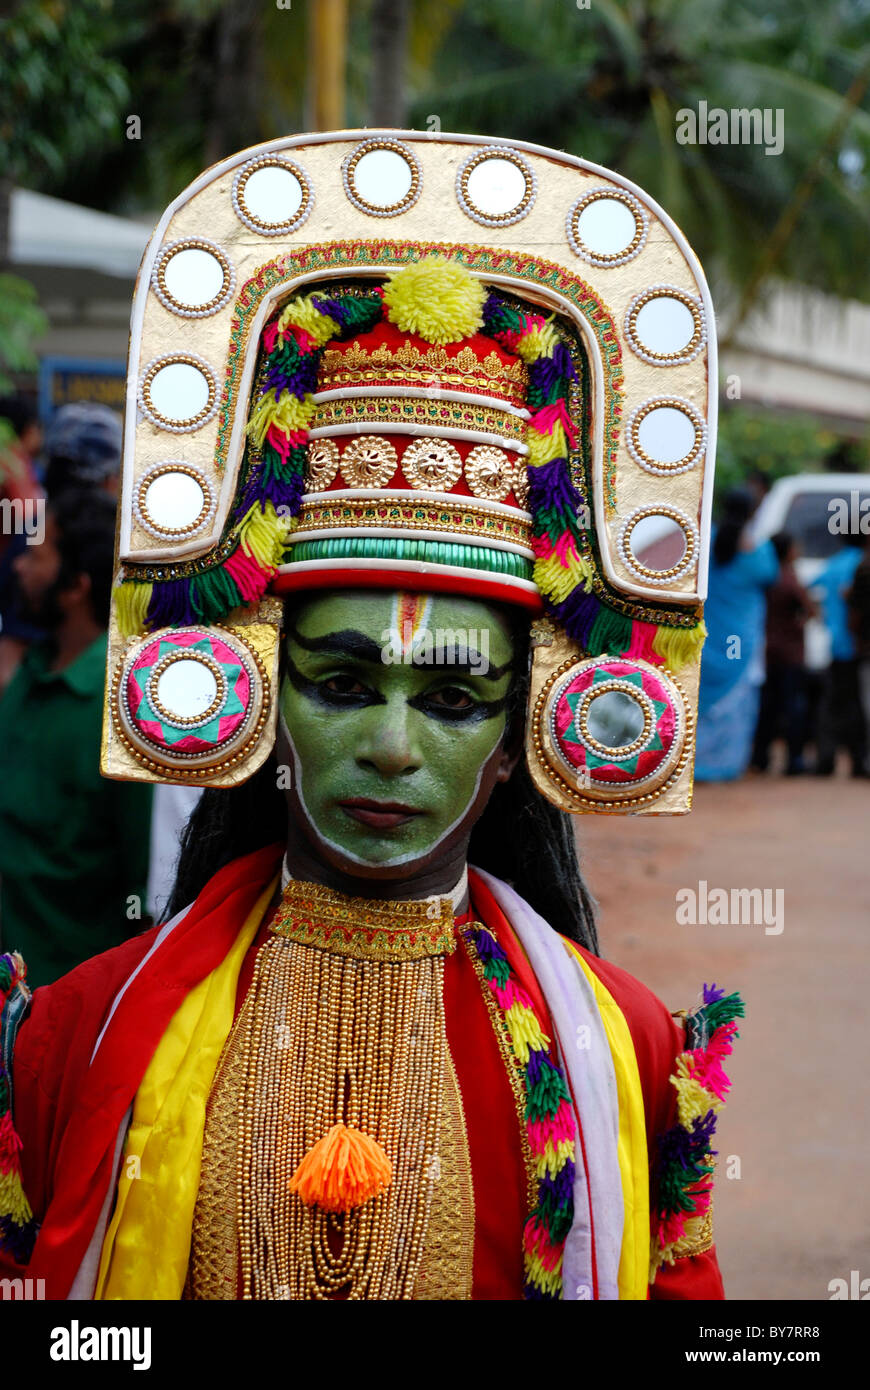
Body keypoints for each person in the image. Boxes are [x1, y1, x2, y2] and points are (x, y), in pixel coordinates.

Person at [0, 135, 740, 1301]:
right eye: (343, 683)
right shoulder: (79, 1039)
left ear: (522, 733)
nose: (393, 747)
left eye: (451, 699)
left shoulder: (627, 1054)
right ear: (257, 689)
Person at [0, 489, 153, 986]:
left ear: (76, 588)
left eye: (37, 557)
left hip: (64, 993)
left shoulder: (122, 709)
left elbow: (142, 877)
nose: (20, 569)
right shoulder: (30, 675)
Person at [695, 489, 778, 781]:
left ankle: (696, 763)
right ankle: (724, 765)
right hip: (741, 638)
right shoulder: (757, 549)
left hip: (710, 633)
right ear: (752, 511)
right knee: (737, 700)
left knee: (701, 695)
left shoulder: (707, 539)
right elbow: (770, 578)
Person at [751, 531, 815, 775]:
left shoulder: (766, 578)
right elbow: (810, 610)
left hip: (768, 651)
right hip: (791, 652)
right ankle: (795, 761)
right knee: (794, 707)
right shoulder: (789, 579)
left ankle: (760, 758)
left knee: (768, 706)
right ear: (788, 551)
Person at [813, 533, 867, 777]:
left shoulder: (833, 565)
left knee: (833, 706)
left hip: (839, 646)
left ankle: (826, 761)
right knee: (858, 705)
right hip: (860, 646)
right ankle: (858, 762)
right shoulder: (862, 563)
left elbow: (810, 588)